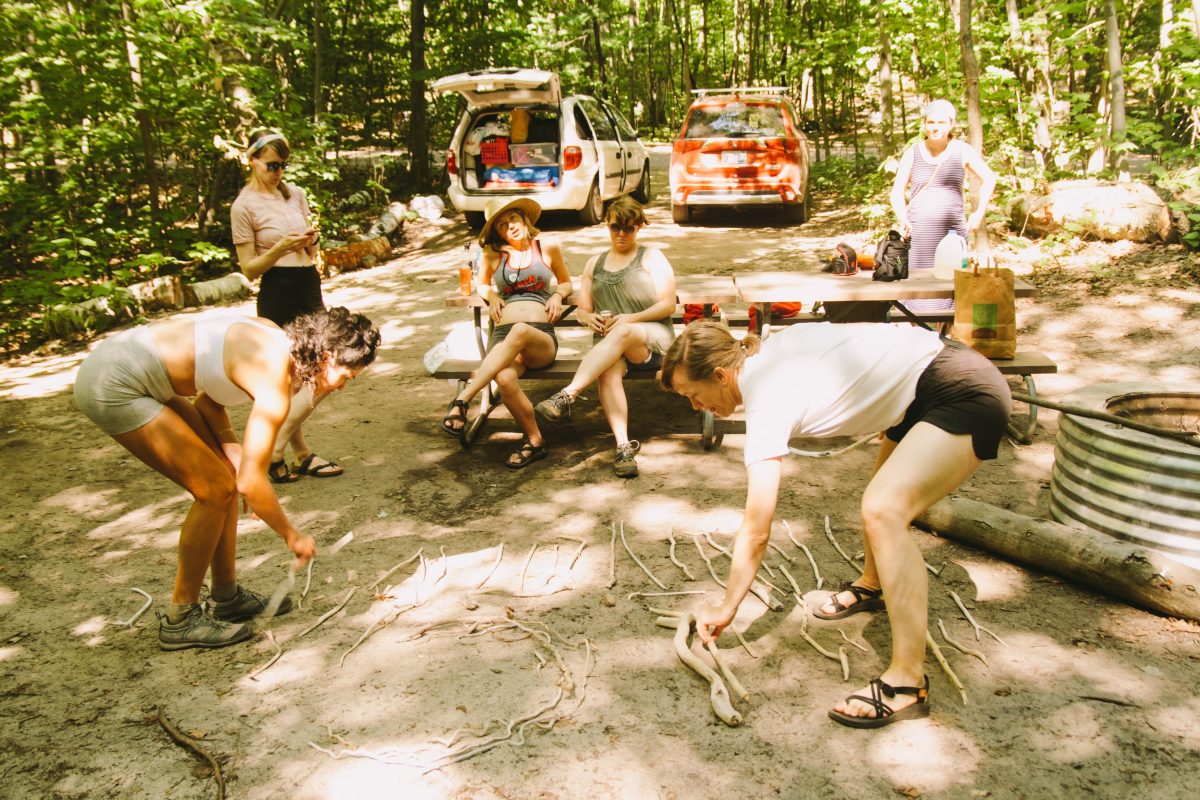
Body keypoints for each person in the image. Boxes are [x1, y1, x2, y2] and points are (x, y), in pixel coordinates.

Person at [659, 320, 1011, 727]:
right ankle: (873, 584)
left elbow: (757, 529)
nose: (695, 407)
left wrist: (727, 607)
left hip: (962, 391)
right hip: (923, 388)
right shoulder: (765, 352)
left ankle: (907, 683)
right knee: (879, 499)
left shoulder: (766, 397)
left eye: (693, 395)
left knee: (883, 510)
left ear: (720, 375)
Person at [74, 307, 381, 650]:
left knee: (225, 478)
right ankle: (181, 618)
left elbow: (210, 402)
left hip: (127, 367)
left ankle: (226, 596)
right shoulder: (273, 376)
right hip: (114, 382)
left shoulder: (274, 337)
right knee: (215, 489)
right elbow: (253, 483)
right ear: (327, 357)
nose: (341, 387)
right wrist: (291, 534)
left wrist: (233, 452)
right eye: (347, 377)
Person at [534, 197, 676, 478]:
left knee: (623, 332)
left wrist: (630, 318)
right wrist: (591, 318)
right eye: (615, 227)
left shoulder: (652, 256)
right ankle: (623, 446)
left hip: (651, 339)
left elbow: (668, 305)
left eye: (628, 228)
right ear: (607, 227)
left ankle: (568, 394)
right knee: (608, 370)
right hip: (611, 344)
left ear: (639, 228)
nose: (621, 234)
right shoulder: (594, 263)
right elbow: (583, 311)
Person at [231, 128, 341, 483]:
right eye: (272, 165)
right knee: (287, 378)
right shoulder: (243, 206)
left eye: (283, 165)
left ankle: (282, 453)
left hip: (308, 282)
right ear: (252, 161)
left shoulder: (295, 194)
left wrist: (311, 242)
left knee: (326, 366)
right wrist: (279, 247)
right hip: (277, 288)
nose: (279, 172)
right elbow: (249, 269)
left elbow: (312, 250)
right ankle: (295, 454)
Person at [440, 197, 572, 468]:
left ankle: (463, 400)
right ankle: (535, 441)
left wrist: (559, 294)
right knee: (504, 378)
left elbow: (567, 281)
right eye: (501, 225)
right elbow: (481, 284)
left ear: (523, 219)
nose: (509, 226)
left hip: (538, 339)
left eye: (512, 218)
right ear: (497, 233)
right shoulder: (492, 255)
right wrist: (491, 295)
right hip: (502, 339)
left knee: (520, 330)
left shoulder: (547, 248)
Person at [889, 99, 997, 312]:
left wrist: (978, 213)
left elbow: (989, 179)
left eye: (940, 122)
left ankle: (944, 340)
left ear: (951, 125)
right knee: (915, 291)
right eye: (930, 122)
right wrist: (903, 218)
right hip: (918, 233)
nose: (935, 127)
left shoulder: (962, 150)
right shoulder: (913, 152)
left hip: (953, 233)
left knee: (952, 290)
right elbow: (896, 192)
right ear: (924, 125)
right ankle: (917, 339)